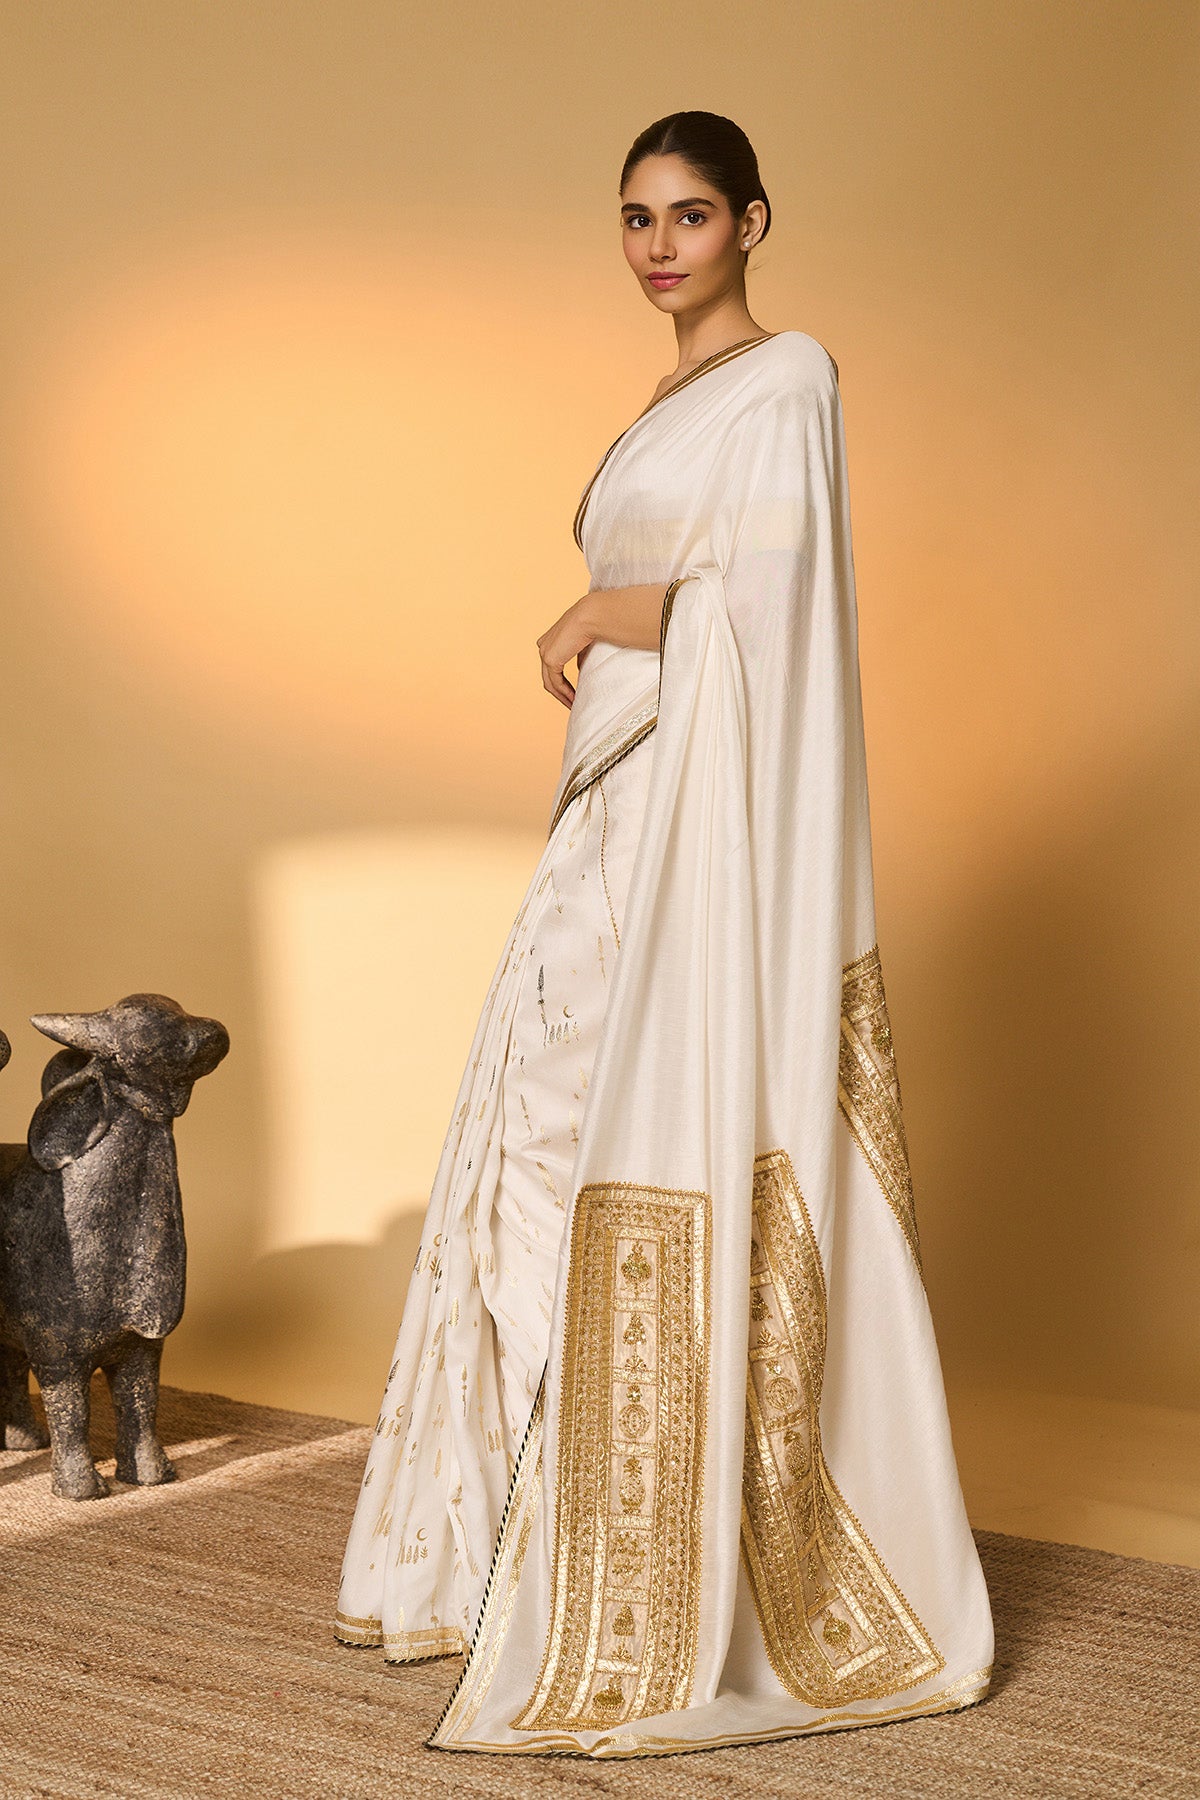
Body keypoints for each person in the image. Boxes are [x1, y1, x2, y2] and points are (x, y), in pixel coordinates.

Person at [335, 109, 994, 1759]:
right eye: (636, 217)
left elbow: (766, 609)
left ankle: (651, 1560)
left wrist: (594, 608)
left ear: (752, 221)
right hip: (616, 811)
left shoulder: (788, 379)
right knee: (534, 1150)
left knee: (627, 1139)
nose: (657, 246)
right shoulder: (661, 401)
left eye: (689, 215)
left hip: (691, 832)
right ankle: (525, 1544)